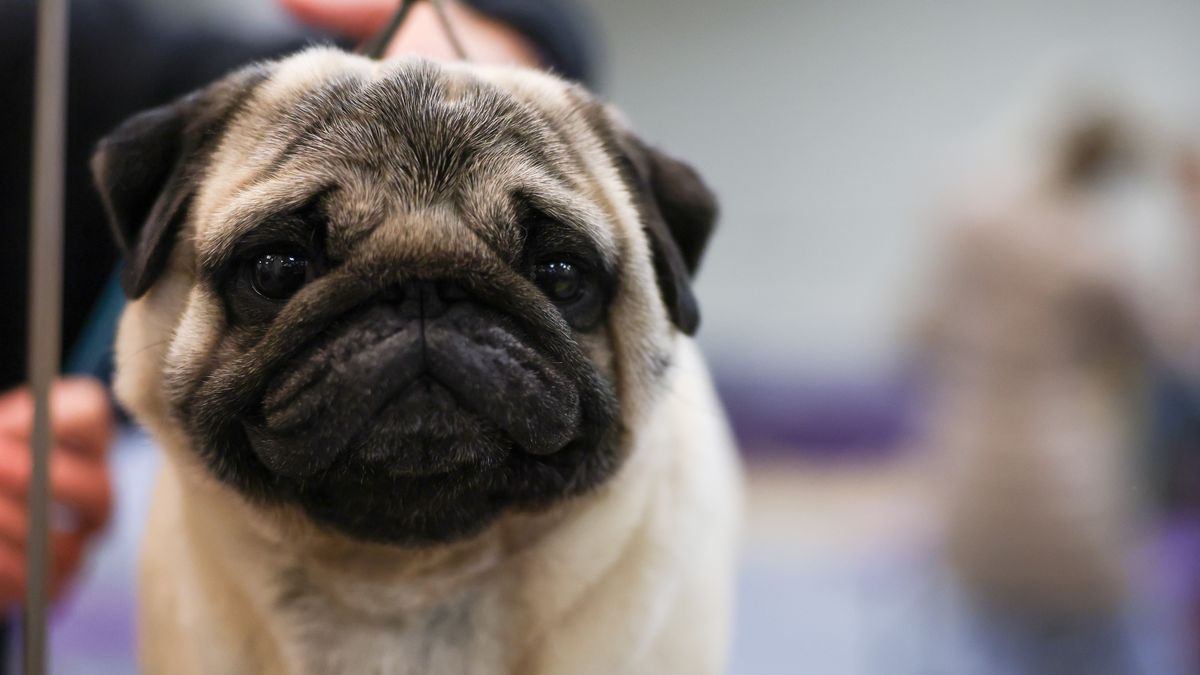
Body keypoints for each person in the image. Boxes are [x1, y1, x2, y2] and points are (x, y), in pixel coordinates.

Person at [0, 0, 595, 609]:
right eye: (280, 274)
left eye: (548, 274)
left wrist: (492, 67)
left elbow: (234, 106)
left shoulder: (45, 64)